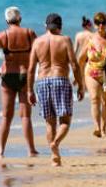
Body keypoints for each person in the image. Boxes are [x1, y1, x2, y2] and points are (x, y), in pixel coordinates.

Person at [27, 13, 84, 166]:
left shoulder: (37, 42)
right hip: (60, 80)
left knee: (49, 123)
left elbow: (31, 69)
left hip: (42, 82)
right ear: (60, 26)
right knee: (65, 121)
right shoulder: (65, 40)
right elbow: (74, 64)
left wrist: (29, 91)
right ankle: (56, 143)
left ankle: (54, 157)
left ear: (45, 26)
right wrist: (80, 85)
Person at [0, 6, 38, 157]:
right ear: (20, 19)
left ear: (6, 20)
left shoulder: (4, 35)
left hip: (8, 75)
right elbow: (39, 50)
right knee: (26, 116)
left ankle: (1, 149)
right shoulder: (29, 33)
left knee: (6, 116)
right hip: (25, 75)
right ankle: (31, 149)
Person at [78, 12, 106, 138]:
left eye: (103, 23)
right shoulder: (90, 39)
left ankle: (104, 128)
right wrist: (79, 78)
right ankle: (97, 128)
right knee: (94, 99)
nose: (101, 26)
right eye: (98, 23)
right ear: (94, 24)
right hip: (91, 72)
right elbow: (81, 59)